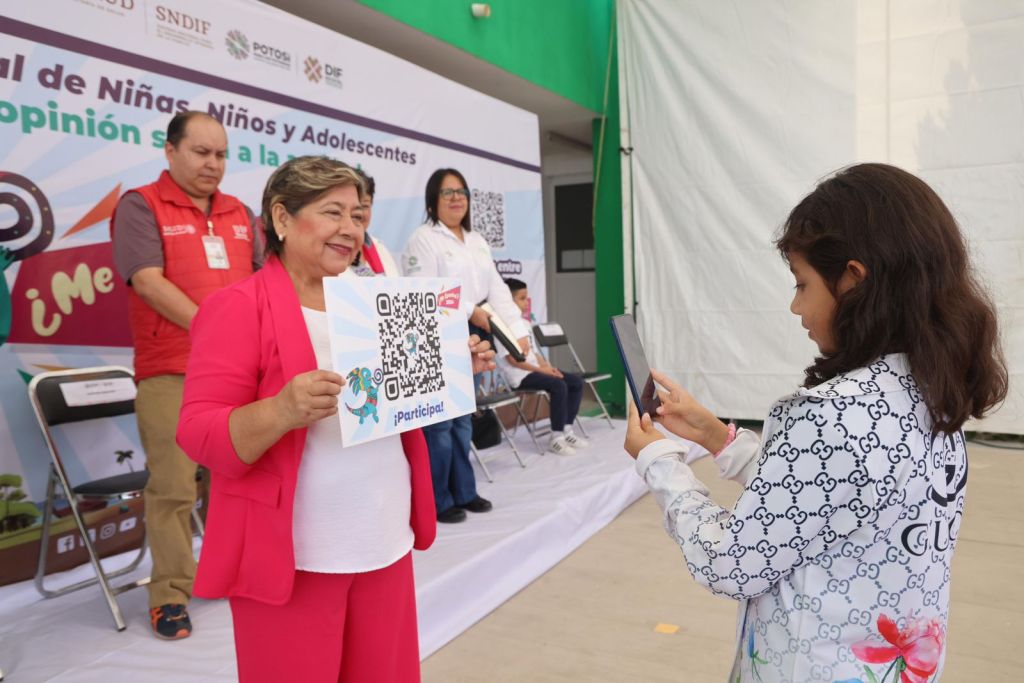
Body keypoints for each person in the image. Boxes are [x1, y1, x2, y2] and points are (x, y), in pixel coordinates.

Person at [623, 163, 1007, 682]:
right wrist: (716, 436)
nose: (795, 305)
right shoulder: (936, 391)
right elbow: (830, 496)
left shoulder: (831, 415)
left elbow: (732, 563)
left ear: (853, 279)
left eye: (802, 284)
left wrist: (659, 462)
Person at [176, 156, 495, 682]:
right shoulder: (237, 307)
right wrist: (281, 410)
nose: (351, 228)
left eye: (358, 215)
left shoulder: (375, 299)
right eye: (333, 212)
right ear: (282, 218)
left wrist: (452, 367)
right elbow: (198, 433)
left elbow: (397, 400)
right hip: (298, 557)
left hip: (384, 539)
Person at [110, 110, 261, 640]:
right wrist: (213, 331)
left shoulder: (241, 212)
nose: (212, 164)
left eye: (221, 154)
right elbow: (148, 281)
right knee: (174, 487)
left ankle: (229, 572)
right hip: (171, 369)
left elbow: (263, 282)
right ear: (170, 150)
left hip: (238, 372)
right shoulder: (141, 205)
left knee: (236, 480)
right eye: (201, 152)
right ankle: (170, 594)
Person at [402, 168, 529, 523]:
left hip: (475, 333)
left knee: (462, 419)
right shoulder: (423, 239)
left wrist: (517, 331)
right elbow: (422, 289)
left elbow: (498, 291)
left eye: (461, 192)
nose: (456, 198)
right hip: (438, 332)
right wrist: (471, 309)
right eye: (447, 192)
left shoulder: (476, 241)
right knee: (440, 424)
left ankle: (464, 491)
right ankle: (438, 500)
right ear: (433, 201)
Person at [499, 278, 589, 454]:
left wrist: (549, 368)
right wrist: (543, 371)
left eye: (527, 298)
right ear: (508, 301)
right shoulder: (502, 326)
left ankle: (567, 430)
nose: (526, 302)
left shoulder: (524, 324)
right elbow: (513, 360)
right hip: (520, 376)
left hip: (536, 370)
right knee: (559, 386)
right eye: (522, 298)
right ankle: (556, 437)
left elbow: (534, 354)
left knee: (575, 382)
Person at [347, 168, 400, 277]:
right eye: (354, 207)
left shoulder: (380, 248)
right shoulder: (330, 251)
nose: (359, 213)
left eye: (364, 206)